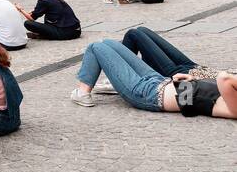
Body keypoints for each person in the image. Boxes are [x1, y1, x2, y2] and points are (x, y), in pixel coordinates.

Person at [69, 40, 236, 119]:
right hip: (161, 81)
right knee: (110, 43)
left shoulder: (234, 107)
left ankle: (83, 93)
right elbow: (200, 97)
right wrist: (190, 79)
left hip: (147, 93)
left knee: (95, 47)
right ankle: (114, 82)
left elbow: (224, 78)